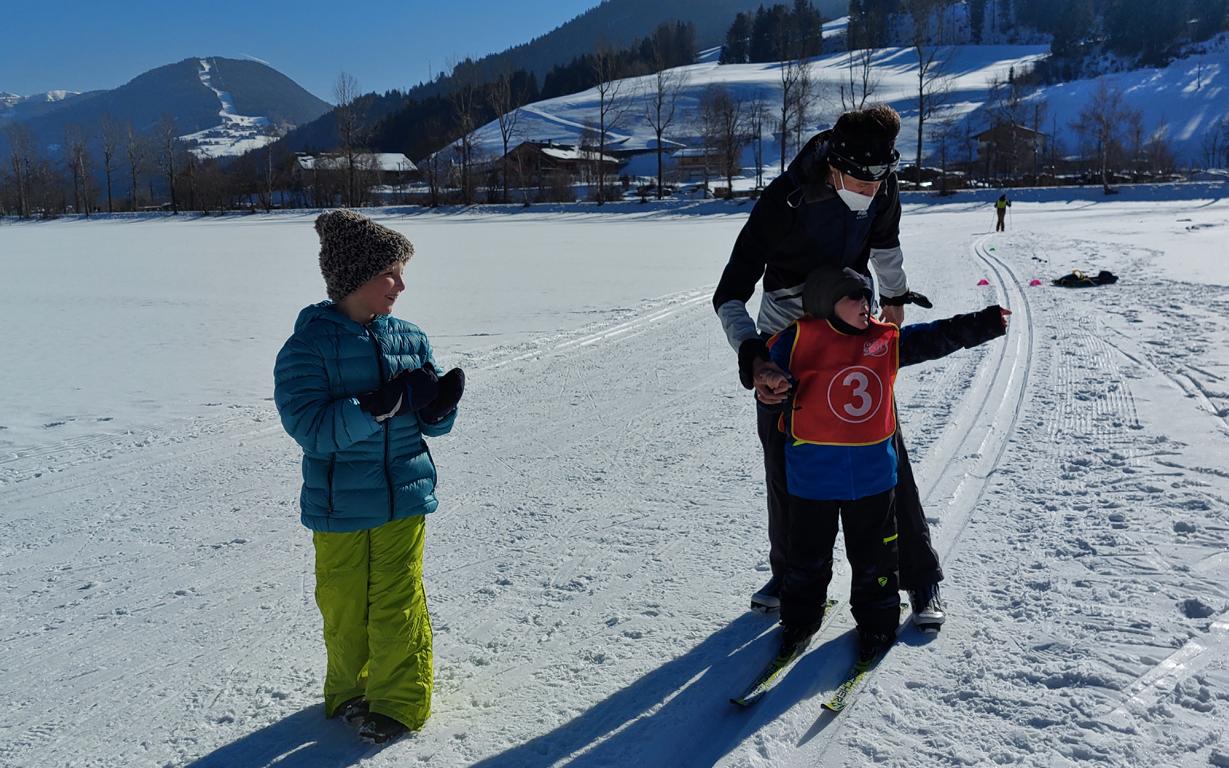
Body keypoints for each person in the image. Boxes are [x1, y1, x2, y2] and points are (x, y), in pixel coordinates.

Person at [712, 103, 947, 627]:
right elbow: (728, 295)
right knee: (785, 460)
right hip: (787, 338)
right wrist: (754, 360)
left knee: (882, 449)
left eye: (879, 182)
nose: (869, 194)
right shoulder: (784, 200)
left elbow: (885, 243)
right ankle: (791, 572)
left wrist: (895, 295)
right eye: (860, 183)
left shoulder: (881, 185)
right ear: (834, 165)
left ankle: (919, 575)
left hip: (847, 328)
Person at [274, 210, 465, 745]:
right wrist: (378, 405)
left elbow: (429, 423)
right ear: (354, 277)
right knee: (343, 603)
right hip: (339, 506)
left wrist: (439, 408)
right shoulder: (307, 349)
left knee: (397, 600)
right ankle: (352, 690)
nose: (401, 285)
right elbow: (311, 429)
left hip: (404, 494)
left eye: (402, 273)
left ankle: (399, 701)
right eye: (391, 273)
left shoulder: (409, 337)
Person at [766, 267, 1010, 660]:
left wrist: (982, 323)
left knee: (874, 560)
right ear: (825, 302)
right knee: (806, 560)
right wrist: (770, 387)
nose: (866, 305)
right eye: (854, 298)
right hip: (812, 478)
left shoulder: (884, 339)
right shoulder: (795, 342)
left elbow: (934, 337)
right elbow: (767, 378)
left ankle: (878, 625)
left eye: (867, 297)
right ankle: (799, 621)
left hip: (873, 479)